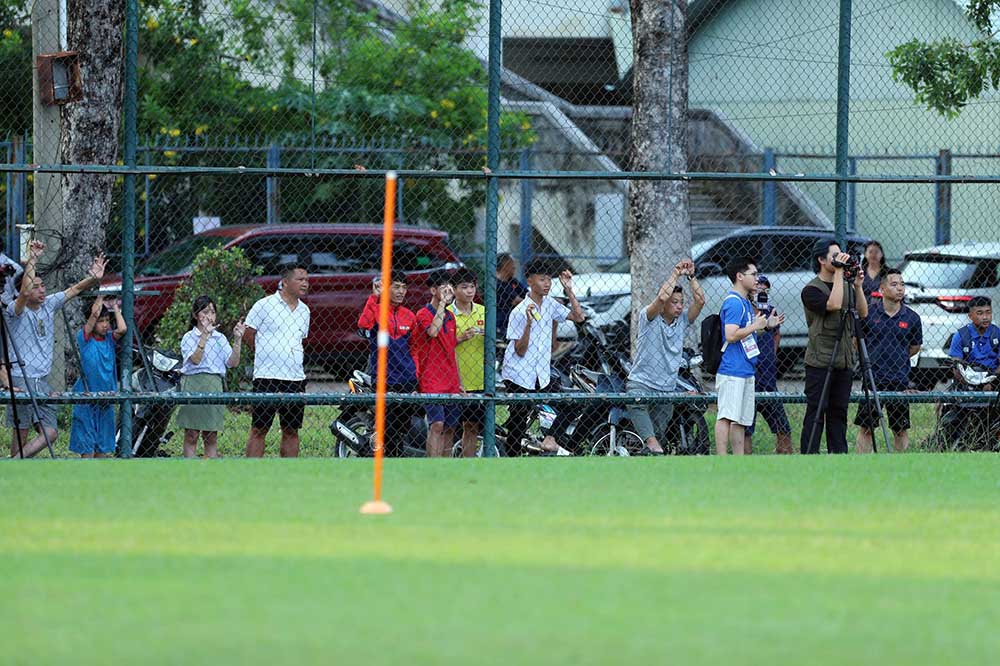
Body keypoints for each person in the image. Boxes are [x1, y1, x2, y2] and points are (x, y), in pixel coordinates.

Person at [4, 240, 107, 458]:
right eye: (36, 286)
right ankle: (16, 471)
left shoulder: (49, 304)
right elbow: (23, 294)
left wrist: (94, 278)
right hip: (21, 377)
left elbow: (76, 289)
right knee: (20, 433)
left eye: (43, 285)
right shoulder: (16, 310)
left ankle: (11, 463)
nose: (42, 290)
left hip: (42, 378)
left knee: (50, 432)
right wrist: (32, 259)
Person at [502, 260, 585, 455]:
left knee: (571, 404)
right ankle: (509, 461)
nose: (547, 283)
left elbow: (579, 317)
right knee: (518, 421)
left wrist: (569, 290)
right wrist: (529, 325)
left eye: (549, 279)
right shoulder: (519, 311)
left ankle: (550, 439)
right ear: (530, 281)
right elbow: (520, 351)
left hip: (541, 373)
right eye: (542, 279)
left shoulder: (550, 305)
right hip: (518, 373)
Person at [626, 258, 705, 455]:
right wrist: (676, 273)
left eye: (681, 303)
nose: (679, 307)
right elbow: (661, 298)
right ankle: (649, 444)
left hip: (666, 389)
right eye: (674, 302)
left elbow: (701, 301)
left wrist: (691, 277)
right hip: (642, 383)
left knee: (658, 438)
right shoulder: (649, 317)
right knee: (650, 434)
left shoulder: (682, 321)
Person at [800, 238, 868, 454]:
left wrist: (857, 286)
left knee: (839, 413)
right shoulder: (811, 290)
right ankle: (809, 457)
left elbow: (863, 312)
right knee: (817, 412)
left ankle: (839, 456)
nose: (840, 259)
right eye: (834, 256)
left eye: (841, 255)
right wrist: (839, 274)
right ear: (821, 259)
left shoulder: (845, 286)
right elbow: (834, 304)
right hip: (820, 361)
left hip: (844, 359)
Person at [714, 257, 782, 456]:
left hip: (746, 368)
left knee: (741, 420)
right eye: (753, 274)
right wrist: (755, 326)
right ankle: (721, 458)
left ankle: (738, 459)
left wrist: (766, 325)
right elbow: (731, 334)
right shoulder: (734, 303)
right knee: (726, 416)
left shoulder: (745, 302)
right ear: (739, 276)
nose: (756, 278)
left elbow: (747, 333)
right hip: (732, 369)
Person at [244, 263, 310, 458]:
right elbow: (249, 333)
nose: (305, 284)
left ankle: (287, 472)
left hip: (295, 378)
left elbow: (300, 340)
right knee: (259, 428)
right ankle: (249, 471)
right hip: (267, 376)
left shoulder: (305, 311)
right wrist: (263, 354)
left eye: (307, 280)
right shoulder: (264, 305)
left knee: (291, 429)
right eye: (300, 279)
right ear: (285, 282)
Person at [854, 268, 922, 453]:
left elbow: (915, 347)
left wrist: (897, 358)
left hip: (899, 380)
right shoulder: (869, 314)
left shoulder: (912, 318)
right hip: (873, 379)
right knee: (866, 428)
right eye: (894, 284)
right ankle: (862, 465)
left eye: (902, 284)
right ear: (882, 289)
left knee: (900, 429)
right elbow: (856, 342)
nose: (900, 288)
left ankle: (901, 464)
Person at [357, 270, 420, 456]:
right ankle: (389, 460)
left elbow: (414, 348)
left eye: (404, 287)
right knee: (389, 427)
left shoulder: (409, 316)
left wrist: (415, 373)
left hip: (406, 379)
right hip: (384, 378)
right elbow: (363, 325)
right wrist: (374, 298)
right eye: (396, 287)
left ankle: (393, 457)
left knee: (403, 427)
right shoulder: (376, 310)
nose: (401, 291)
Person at [176, 296, 246, 458]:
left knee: (211, 435)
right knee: (191, 433)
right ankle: (190, 470)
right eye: (205, 311)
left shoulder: (220, 338)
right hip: (193, 383)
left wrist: (237, 339)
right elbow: (195, 360)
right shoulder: (189, 337)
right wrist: (204, 337)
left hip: (214, 384)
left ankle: (210, 471)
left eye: (212, 312)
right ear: (196, 315)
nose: (209, 316)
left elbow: (233, 362)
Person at [68, 296, 126, 458]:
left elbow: (122, 329)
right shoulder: (85, 338)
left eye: (107, 320)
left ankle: (98, 477)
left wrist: (115, 308)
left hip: (105, 397)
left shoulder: (109, 339)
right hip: (86, 397)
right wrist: (99, 297)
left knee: (103, 444)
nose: (105, 325)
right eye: (101, 321)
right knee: (87, 445)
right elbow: (93, 315)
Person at [412, 270, 463, 457]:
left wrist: (460, 383)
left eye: (450, 288)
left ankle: (446, 465)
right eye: (444, 288)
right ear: (433, 290)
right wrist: (442, 304)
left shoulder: (451, 317)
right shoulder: (423, 313)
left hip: (450, 380)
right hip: (431, 379)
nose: (448, 292)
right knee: (437, 425)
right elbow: (433, 331)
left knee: (450, 427)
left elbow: (452, 349)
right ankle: (432, 464)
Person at [743, 274, 793, 455]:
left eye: (765, 289)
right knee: (745, 429)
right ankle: (744, 464)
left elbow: (776, 336)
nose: (761, 292)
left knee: (783, 427)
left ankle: (785, 461)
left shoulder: (771, 312)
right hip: (749, 378)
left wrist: (771, 354)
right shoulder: (744, 309)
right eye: (758, 288)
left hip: (768, 380)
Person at [450, 268, 486, 458]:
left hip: (479, 378)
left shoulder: (483, 311)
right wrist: (460, 338)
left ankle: (468, 462)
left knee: (472, 426)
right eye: (464, 287)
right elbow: (442, 347)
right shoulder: (448, 313)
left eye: (472, 287)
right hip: (456, 378)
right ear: (454, 289)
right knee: (448, 427)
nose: (469, 291)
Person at [947, 295, 1000, 373]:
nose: (985, 317)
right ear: (970, 316)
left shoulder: (997, 333)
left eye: (988, 312)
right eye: (980, 313)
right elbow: (956, 366)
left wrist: (992, 383)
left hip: (994, 377)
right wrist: (970, 382)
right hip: (969, 377)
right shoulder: (961, 335)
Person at [495, 252, 526, 335]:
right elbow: (517, 301)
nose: (514, 267)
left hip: (517, 319)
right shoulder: (496, 284)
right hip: (502, 322)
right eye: (512, 264)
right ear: (505, 266)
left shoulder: (512, 281)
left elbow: (528, 295)